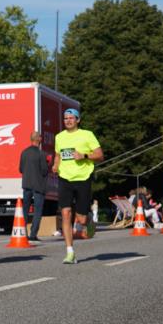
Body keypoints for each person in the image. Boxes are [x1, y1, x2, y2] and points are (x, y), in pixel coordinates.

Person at [51, 108, 103, 264]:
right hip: (64, 178)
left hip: (83, 178)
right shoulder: (59, 137)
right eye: (65, 118)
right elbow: (58, 155)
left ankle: (90, 222)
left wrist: (84, 155)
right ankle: (70, 252)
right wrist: (55, 165)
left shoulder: (87, 135)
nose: (68, 120)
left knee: (80, 220)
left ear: (78, 120)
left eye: (71, 118)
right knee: (65, 213)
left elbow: (100, 155)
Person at [18, 130, 48, 241]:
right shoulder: (41, 154)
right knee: (38, 210)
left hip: (26, 185)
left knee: (25, 210)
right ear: (39, 139)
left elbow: (20, 169)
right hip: (38, 186)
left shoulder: (24, 152)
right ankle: (33, 234)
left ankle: (23, 233)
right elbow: (44, 171)